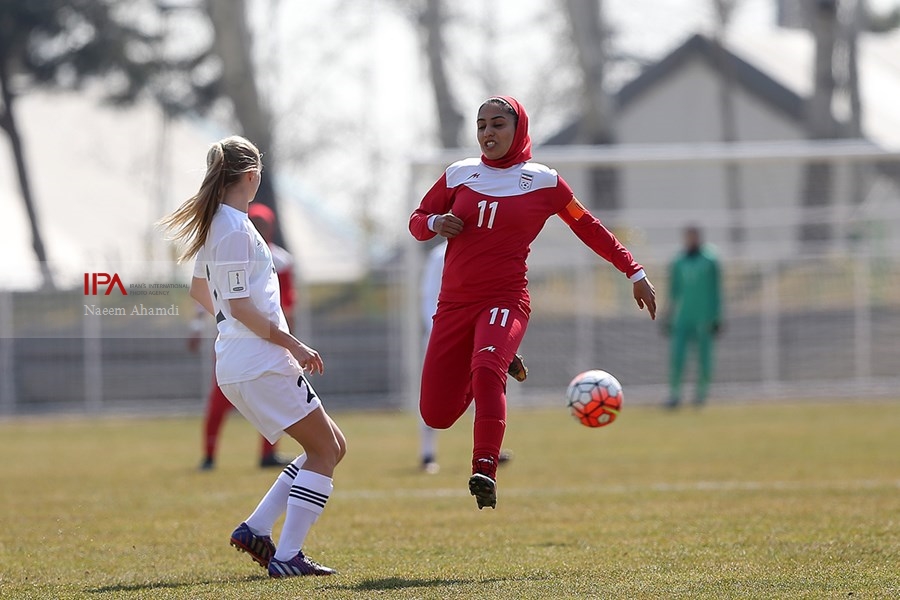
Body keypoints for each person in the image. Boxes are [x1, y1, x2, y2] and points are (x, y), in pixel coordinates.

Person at [409, 96, 656, 510]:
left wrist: (633, 270)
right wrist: (434, 222)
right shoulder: (458, 174)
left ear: (519, 128)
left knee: (486, 371)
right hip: (453, 305)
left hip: (505, 299)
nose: (489, 132)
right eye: (482, 125)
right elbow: (417, 220)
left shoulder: (543, 181)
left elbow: (588, 227)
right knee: (435, 415)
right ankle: (497, 357)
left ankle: (484, 468)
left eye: (498, 124)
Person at [160, 136, 345, 577]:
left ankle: (256, 530)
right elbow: (240, 305)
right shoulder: (235, 229)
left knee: (332, 446)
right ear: (251, 176)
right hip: (260, 361)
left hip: (243, 359)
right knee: (324, 451)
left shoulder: (221, 225)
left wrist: (230, 326)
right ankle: (286, 558)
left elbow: (201, 291)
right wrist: (292, 344)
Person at [191, 202, 296, 470]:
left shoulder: (278, 257)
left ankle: (267, 453)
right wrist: (211, 322)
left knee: (272, 401)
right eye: (256, 223)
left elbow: (285, 300)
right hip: (241, 339)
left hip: (264, 337)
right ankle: (209, 454)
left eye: (265, 224)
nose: (260, 228)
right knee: (220, 400)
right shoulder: (231, 240)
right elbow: (214, 295)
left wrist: (286, 335)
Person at [418, 239, 515, 474]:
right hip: (445, 336)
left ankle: (488, 449)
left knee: (487, 386)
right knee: (433, 400)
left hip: (480, 334)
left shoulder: (486, 249)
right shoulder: (440, 255)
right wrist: (443, 336)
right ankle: (427, 454)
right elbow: (428, 297)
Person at [663, 225, 722, 408]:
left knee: (704, 359)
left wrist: (717, 317)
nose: (691, 240)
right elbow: (673, 291)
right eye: (688, 237)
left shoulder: (710, 259)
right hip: (682, 318)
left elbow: (717, 290)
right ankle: (675, 395)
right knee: (677, 357)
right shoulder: (678, 261)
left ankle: (701, 395)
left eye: (694, 236)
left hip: (704, 317)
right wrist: (667, 316)